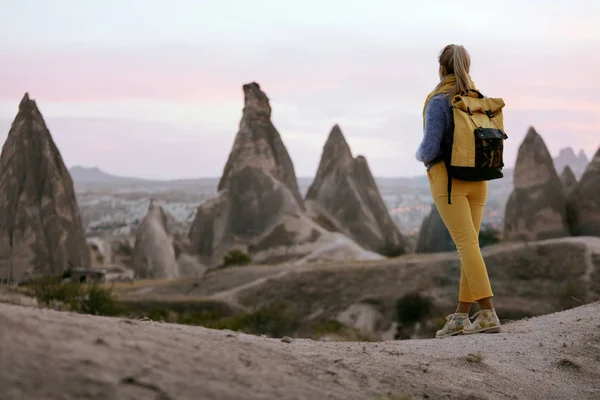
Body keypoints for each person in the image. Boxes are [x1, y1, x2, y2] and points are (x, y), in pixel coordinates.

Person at [416, 44, 501, 338]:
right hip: (480, 178)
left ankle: (487, 312)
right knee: (470, 247)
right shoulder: (476, 99)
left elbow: (429, 146)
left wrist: (421, 158)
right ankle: (461, 316)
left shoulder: (440, 100)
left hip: (450, 180)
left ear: (442, 68)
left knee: (466, 247)